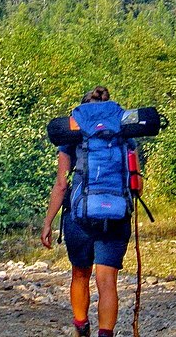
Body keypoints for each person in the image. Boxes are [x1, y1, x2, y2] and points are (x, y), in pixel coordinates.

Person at [41, 86, 132, 337]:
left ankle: (82, 328)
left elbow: (61, 184)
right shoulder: (125, 134)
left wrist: (48, 222)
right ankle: (105, 334)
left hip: (79, 217)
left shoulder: (73, 135)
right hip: (116, 215)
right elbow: (137, 185)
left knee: (80, 274)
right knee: (107, 282)